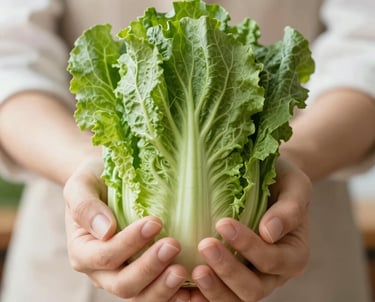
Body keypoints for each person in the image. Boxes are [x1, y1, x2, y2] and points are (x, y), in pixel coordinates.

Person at [0, 0, 374, 301]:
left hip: (293, 253)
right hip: (70, 265)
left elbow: (365, 49)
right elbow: (9, 56)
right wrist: (81, 164)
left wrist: (293, 161)